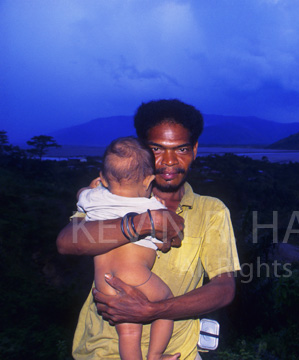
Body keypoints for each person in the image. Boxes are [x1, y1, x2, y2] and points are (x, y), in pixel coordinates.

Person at [57, 99, 241, 360]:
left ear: (195, 150)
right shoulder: (107, 197)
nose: (169, 161)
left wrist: (155, 310)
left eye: (181, 149)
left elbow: (224, 288)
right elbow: (67, 242)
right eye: (157, 149)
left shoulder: (211, 210)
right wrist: (143, 223)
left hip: (178, 354)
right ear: (142, 148)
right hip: (100, 351)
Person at [76, 136, 177, 360]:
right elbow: (164, 243)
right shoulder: (150, 206)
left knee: (129, 332)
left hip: (103, 281)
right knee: (167, 304)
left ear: (102, 177)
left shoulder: (93, 198)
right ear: (148, 180)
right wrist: (165, 241)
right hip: (135, 274)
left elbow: (80, 195)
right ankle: (156, 355)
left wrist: (92, 188)